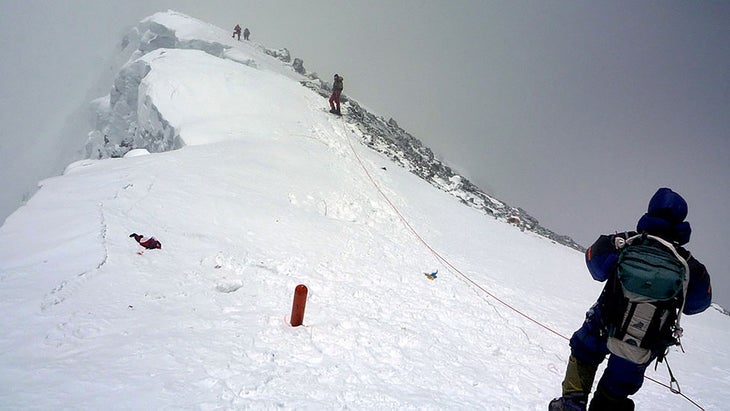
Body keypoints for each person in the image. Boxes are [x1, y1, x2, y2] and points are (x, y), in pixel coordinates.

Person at [550, 188, 712, 411]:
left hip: (602, 323)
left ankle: (571, 404)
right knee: (617, 388)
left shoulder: (625, 242)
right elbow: (698, 304)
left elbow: (596, 267)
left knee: (584, 353)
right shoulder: (689, 265)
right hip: (644, 340)